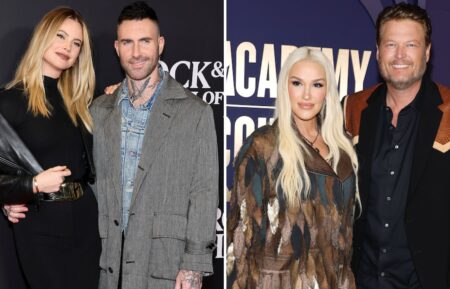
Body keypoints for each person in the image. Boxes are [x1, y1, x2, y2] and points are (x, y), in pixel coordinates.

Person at [90, 2, 218, 289]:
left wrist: (193, 267)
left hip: (166, 269)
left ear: (160, 45)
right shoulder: (98, 111)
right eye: (128, 42)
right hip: (108, 268)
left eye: (145, 41)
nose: (136, 53)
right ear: (116, 47)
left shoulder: (194, 112)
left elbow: (204, 192)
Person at [227, 47, 359, 289]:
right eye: (297, 83)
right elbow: (241, 240)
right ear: (285, 88)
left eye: (317, 85)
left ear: (327, 91)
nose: (307, 95)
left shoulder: (344, 150)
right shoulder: (262, 147)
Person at [343, 3, 450, 289]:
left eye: (411, 44)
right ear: (378, 52)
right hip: (362, 280)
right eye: (391, 44)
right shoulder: (352, 108)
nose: (400, 55)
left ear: (427, 52)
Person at [0, 7, 100, 289]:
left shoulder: (78, 102)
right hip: (40, 227)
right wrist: (30, 184)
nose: (68, 47)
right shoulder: (10, 101)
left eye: (76, 43)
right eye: (61, 36)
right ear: (43, 36)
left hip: (85, 222)